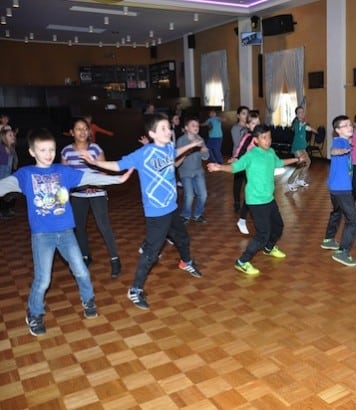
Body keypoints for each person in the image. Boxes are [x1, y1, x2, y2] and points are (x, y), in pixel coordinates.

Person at [0, 128, 133, 336]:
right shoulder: (26, 174)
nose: (48, 154)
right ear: (32, 152)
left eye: (51, 149)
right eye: (42, 150)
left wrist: (116, 179)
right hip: (42, 236)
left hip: (66, 233)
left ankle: (88, 301)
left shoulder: (63, 172)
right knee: (43, 279)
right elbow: (4, 185)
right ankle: (34, 313)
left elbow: (90, 176)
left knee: (81, 269)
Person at [80, 113, 204, 310]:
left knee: (183, 238)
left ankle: (185, 261)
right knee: (151, 253)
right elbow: (118, 165)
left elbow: (175, 152)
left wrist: (190, 145)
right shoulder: (143, 153)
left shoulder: (169, 147)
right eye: (163, 128)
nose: (168, 131)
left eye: (168, 127)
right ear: (152, 133)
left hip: (171, 207)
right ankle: (135, 290)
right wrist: (95, 163)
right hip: (156, 212)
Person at [208, 124, 305, 275]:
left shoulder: (271, 152)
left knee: (278, 226)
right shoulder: (251, 156)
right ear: (256, 140)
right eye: (264, 138)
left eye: (269, 137)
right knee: (262, 234)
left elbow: (279, 163)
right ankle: (242, 261)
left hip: (269, 198)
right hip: (255, 201)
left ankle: (269, 248)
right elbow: (235, 167)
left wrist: (296, 159)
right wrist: (219, 167)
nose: (268, 140)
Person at [61, 118, 122, 278]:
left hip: (97, 192)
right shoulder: (66, 151)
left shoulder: (95, 148)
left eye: (85, 129)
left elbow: (103, 170)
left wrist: (98, 185)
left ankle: (115, 259)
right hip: (77, 194)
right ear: (72, 133)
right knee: (79, 227)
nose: (82, 132)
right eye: (78, 129)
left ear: (89, 132)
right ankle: (85, 256)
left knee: (104, 226)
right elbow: (64, 176)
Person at [320, 115, 356, 267]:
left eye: (350, 125)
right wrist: (340, 151)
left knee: (337, 212)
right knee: (353, 220)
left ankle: (328, 240)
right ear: (337, 130)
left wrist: (348, 144)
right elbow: (334, 150)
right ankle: (342, 252)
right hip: (342, 189)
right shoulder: (339, 142)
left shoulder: (346, 141)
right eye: (345, 125)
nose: (350, 127)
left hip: (335, 187)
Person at [232, 110, 261, 235]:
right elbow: (241, 149)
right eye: (253, 124)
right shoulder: (248, 137)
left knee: (255, 194)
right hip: (246, 168)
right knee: (251, 194)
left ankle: (246, 218)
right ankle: (243, 219)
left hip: (256, 169)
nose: (256, 125)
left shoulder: (260, 136)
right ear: (248, 126)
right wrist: (237, 158)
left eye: (258, 123)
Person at [176, 116, 209, 224]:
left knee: (203, 194)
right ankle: (185, 215)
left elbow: (205, 157)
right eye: (193, 125)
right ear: (186, 128)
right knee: (189, 195)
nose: (196, 127)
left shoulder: (200, 139)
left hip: (198, 171)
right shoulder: (181, 140)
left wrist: (204, 151)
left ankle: (197, 214)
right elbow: (177, 158)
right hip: (185, 172)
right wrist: (188, 151)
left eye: (197, 126)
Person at [287, 106, 315, 191]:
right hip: (297, 148)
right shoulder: (296, 123)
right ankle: (290, 182)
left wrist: (311, 129)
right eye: (299, 112)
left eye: (303, 112)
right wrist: (302, 125)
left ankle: (300, 179)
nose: (302, 113)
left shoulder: (303, 124)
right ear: (296, 114)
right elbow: (298, 130)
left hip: (302, 148)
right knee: (301, 164)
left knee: (308, 162)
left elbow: (306, 128)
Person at [231, 106, 249, 212]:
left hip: (249, 158)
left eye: (247, 113)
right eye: (243, 113)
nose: (245, 115)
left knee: (249, 181)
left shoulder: (249, 127)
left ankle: (248, 203)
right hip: (239, 157)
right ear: (238, 115)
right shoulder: (235, 128)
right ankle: (237, 203)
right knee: (238, 181)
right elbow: (238, 143)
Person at [0, 128, 18, 218]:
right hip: (1, 175)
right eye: (10, 135)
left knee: (11, 193)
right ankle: (3, 211)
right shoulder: (1, 148)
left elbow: (12, 163)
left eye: (13, 135)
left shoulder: (11, 148)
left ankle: (7, 210)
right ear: (4, 138)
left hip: (7, 174)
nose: (13, 136)